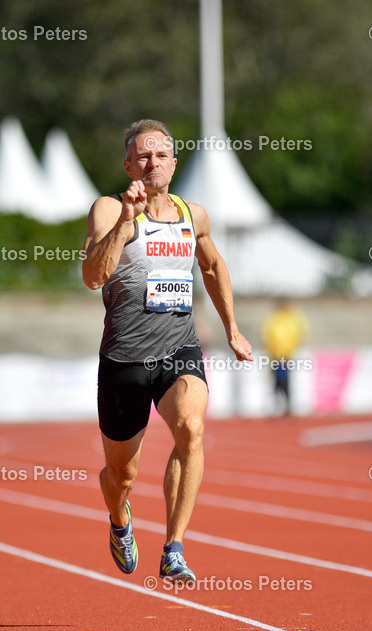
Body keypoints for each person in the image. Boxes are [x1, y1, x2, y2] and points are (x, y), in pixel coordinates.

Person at [82, 119, 253, 584]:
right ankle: (119, 519)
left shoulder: (191, 215)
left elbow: (214, 267)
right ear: (128, 165)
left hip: (178, 349)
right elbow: (94, 276)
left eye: (161, 156)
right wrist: (125, 223)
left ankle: (173, 547)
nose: (152, 163)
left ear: (174, 164)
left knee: (191, 429)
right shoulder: (107, 209)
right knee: (121, 476)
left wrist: (232, 328)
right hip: (124, 361)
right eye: (143, 156)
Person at [261, 299, 309, 416]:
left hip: (286, 355)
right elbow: (267, 334)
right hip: (275, 355)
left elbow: (301, 331)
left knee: (283, 380)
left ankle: (284, 405)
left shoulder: (292, 317)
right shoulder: (275, 318)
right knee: (278, 380)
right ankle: (279, 405)